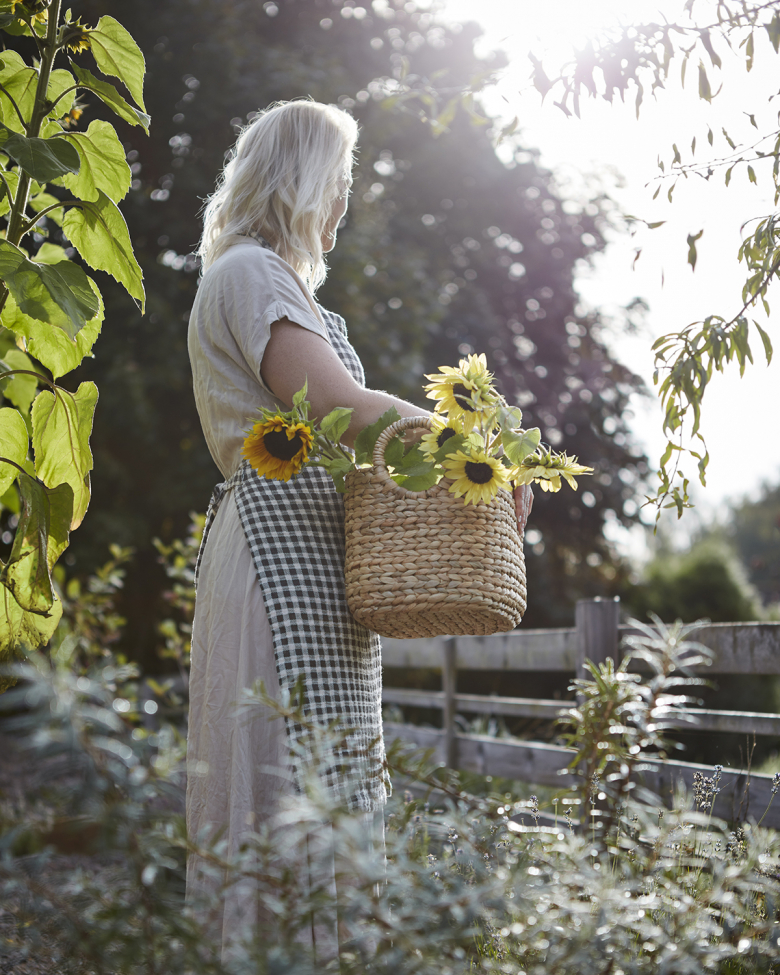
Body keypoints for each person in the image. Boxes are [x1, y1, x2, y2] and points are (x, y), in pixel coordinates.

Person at [185, 98, 533, 958]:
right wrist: (473, 454)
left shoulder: (264, 279)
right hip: (277, 555)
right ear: (302, 181)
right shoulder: (252, 273)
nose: (343, 205)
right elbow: (337, 409)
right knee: (291, 778)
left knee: (315, 779)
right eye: (339, 183)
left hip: (303, 556)